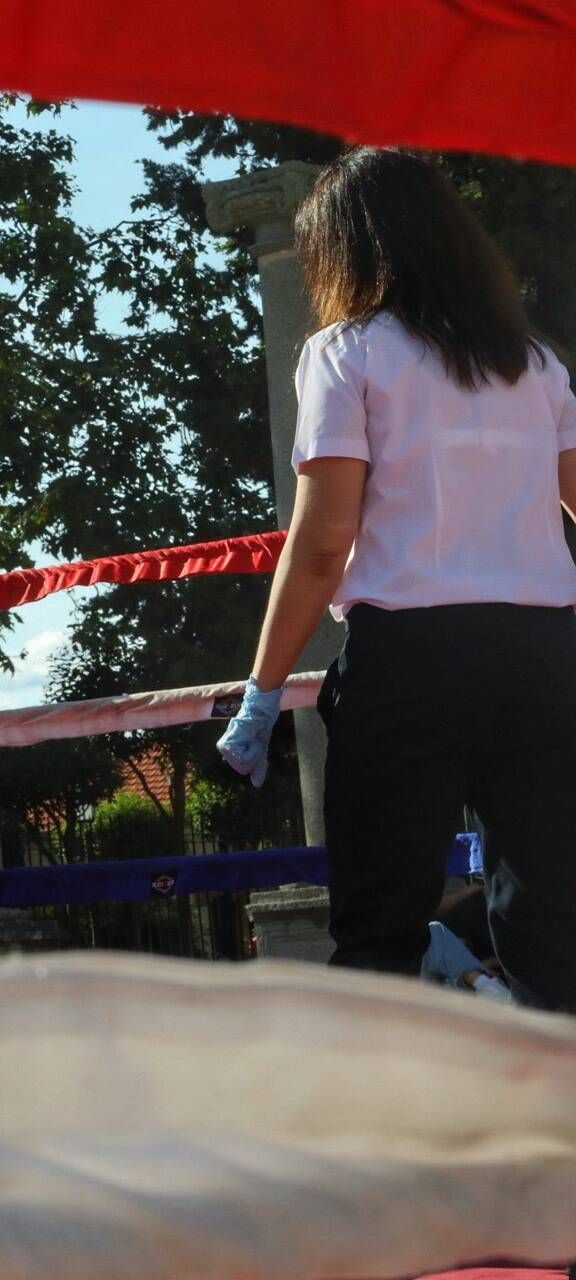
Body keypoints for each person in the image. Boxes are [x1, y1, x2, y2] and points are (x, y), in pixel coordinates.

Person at [217, 147, 576, 1013]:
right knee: (557, 925)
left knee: (380, 927)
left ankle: (370, 1133)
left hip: (411, 657)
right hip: (546, 655)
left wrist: (263, 691)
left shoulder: (348, 353)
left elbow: (323, 538)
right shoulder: (534, 363)